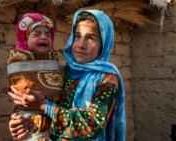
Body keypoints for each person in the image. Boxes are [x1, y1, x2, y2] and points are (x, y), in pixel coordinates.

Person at [8, 9, 126, 141]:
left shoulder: (107, 80)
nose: (81, 45)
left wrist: (43, 105)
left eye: (91, 38)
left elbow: (91, 126)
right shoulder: (60, 74)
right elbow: (41, 112)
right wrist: (21, 124)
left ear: (103, 44)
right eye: (77, 36)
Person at [7, 12, 62, 141]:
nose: (43, 37)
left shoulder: (59, 67)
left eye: (48, 34)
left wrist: (42, 104)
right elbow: (25, 96)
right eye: (36, 34)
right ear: (25, 40)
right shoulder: (18, 63)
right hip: (30, 128)